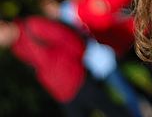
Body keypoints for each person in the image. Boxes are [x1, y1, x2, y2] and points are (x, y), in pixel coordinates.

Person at [0, 15, 131, 117]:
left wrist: (74, 65)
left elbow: (67, 37)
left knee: (112, 111)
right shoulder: (16, 48)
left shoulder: (33, 26)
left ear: (3, 25)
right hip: (62, 94)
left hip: (79, 80)